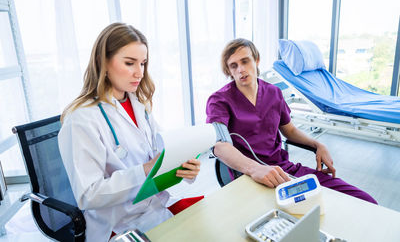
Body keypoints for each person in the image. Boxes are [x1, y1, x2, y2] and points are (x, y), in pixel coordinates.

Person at [58, 23, 201, 240]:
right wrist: (144, 170)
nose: (140, 73)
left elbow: (162, 151)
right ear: (103, 62)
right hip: (119, 226)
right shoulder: (80, 120)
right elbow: (88, 195)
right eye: (129, 63)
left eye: (143, 63)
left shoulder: (137, 103)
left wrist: (184, 167)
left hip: (156, 208)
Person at [206, 38, 377, 204]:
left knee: (364, 201)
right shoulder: (219, 101)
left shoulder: (273, 93)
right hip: (248, 177)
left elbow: (290, 130)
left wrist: (318, 145)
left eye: (245, 61)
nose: (240, 69)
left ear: (257, 60)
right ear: (228, 71)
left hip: (284, 170)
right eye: (233, 66)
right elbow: (220, 146)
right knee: (304, 211)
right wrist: (255, 169)